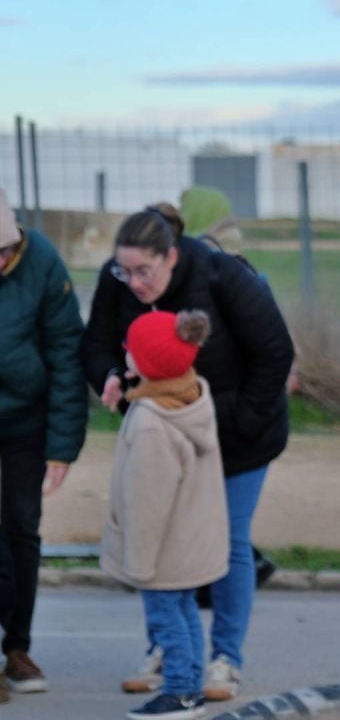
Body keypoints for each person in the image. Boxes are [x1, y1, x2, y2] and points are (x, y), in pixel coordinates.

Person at [81, 203, 294, 701]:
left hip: (238, 437)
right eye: (123, 270)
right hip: (163, 434)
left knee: (230, 544)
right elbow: (95, 345)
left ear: (172, 257)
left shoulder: (222, 276)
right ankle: (167, 649)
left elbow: (275, 354)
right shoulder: (119, 285)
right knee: (161, 542)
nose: (133, 282)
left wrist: (239, 425)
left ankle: (225, 659)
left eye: (144, 271)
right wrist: (111, 377)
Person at [102, 310, 229, 720]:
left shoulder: (151, 424)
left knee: (165, 616)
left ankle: (178, 692)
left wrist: (139, 562)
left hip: (162, 549)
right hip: (186, 544)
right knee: (184, 610)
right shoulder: (189, 399)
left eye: (132, 348)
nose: (125, 351)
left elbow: (147, 503)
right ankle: (190, 687)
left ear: (150, 364)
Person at [0, 187, 87, 696]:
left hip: (27, 425)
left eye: (3, 252)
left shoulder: (44, 264)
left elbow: (66, 357)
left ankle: (19, 648)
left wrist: (62, 446)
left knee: (21, 528)